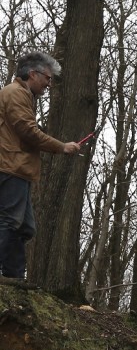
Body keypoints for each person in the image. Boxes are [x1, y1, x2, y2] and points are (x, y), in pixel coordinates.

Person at [0, 51, 81, 279]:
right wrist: (61, 146)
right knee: (9, 221)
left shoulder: (22, 95)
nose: (49, 83)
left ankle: (14, 277)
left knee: (25, 227)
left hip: (18, 169)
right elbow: (27, 131)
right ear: (33, 74)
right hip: (10, 167)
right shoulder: (15, 93)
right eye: (47, 77)